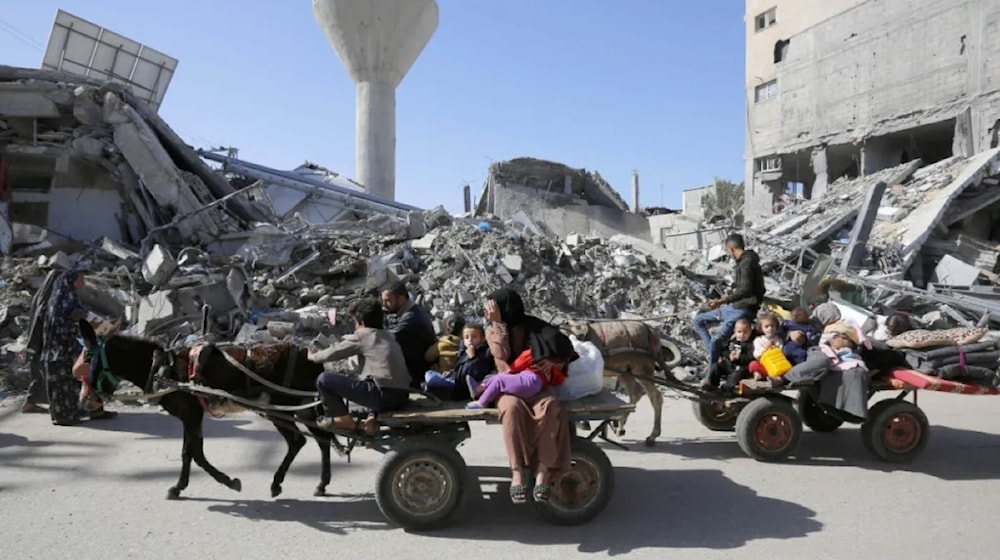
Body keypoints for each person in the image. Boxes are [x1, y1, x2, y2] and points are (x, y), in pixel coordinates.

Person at [484, 288, 576, 504]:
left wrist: (553, 361)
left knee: (551, 405)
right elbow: (502, 355)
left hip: (537, 384)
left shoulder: (533, 326)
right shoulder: (492, 330)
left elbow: (562, 346)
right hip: (508, 384)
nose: (488, 312)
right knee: (511, 408)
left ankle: (542, 471)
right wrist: (498, 324)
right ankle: (517, 472)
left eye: (493, 308)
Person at [309, 298, 411, 433]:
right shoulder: (387, 336)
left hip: (383, 396)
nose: (355, 327)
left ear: (361, 322)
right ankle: (371, 416)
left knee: (324, 380)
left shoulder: (364, 335)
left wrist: (313, 356)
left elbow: (331, 354)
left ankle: (344, 420)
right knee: (366, 384)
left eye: (355, 323)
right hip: (401, 395)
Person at [40, 269, 116, 426]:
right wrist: (78, 326)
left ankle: (91, 410)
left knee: (87, 376)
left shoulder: (71, 297)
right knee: (63, 383)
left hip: (75, 346)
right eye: (80, 279)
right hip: (59, 350)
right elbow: (58, 325)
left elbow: (81, 316)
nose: (83, 283)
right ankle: (63, 415)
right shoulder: (59, 300)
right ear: (70, 281)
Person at [692, 233, 766, 378]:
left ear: (731, 248)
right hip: (733, 307)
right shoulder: (745, 262)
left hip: (742, 310)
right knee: (698, 321)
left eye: (727, 251)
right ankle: (716, 356)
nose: (729, 254)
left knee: (716, 340)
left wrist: (722, 301)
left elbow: (746, 290)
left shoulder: (747, 263)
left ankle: (710, 377)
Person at [466, 343, 566, 409]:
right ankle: (479, 388)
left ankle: (481, 403)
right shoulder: (550, 364)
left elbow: (517, 365)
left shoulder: (534, 352)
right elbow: (559, 380)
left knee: (500, 380)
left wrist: (510, 369)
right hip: (536, 386)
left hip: (528, 380)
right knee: (498, 377)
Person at [380, 280, 436, 389]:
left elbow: (388, 338)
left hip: (416, 374)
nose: (384, 305)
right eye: (383, 301)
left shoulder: (412, 318)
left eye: (388, 301)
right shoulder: (408, 312)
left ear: (401, 300)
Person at [424, 322, 494, 400]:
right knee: (429, 373)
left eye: (474, 337)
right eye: (467, 337)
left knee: (432, 382)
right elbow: (460, 368)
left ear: (482, 339)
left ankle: (433, 389)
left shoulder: (484, 353)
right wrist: (452, 372)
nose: (470, 340)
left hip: (461, 388)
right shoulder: (464, 350)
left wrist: (472, 358)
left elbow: (475, 375)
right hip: (455, 379)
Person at [703, 318, 755, 392]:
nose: (742, 334)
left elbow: (751, 357)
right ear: (735, 331)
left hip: (741, 367)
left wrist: (739, 357)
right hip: (729, 364)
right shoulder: (732, 341)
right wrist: (729, 355)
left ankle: (726, 389)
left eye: (745, 332)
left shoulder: (750, 344)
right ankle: (712, 384)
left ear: (750, 332)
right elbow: (724, 351)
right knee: (716, 367)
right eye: (739, 332)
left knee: (736, 375)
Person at [749, 313, 782, 379]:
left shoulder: (778, 340)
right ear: (761, 328)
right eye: (766, 326)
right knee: (753, 364)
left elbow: (782, 352)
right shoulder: (758, 340)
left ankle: (775, 377)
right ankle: (760, 375)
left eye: (772, 326)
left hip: (776, 364)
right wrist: (766, 348)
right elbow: (757, 355)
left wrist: (775, 348)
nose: (770, 328)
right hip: (765, 364)